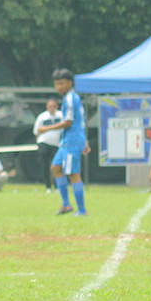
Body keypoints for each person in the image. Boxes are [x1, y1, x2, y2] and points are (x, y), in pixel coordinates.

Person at [43, 68, 91, 215]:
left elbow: (68, 122)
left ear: (70, 83)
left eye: (62, 83)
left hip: (72, 141)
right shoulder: (71, 97)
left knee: (73, 174)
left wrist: (46, 129)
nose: (59, 87)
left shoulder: (70, 99)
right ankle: (66, 205)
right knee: (56, 168)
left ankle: (82, 210)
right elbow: (80, 121)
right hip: (68, 140)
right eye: (56, 84)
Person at [33, 98, 62, 192]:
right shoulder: (42, 116)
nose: (52, 108)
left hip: (56, 144)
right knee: (45, 166)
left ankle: (57, 186)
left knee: (56, 166)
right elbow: (37, 131)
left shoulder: (61, 115)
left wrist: (47, 128)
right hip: (44, 143)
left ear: (57, 107)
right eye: (50, 106)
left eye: (54, 106)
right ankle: (48, 187)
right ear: (47, 107)